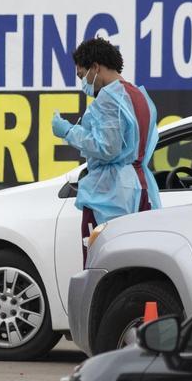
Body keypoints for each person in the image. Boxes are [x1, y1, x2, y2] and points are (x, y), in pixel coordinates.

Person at [51, 37, 161, 259]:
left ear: (95, 67)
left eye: (82, 75)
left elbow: (106, 147)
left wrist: (68, 131)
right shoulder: (139, 96)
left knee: (102, 262)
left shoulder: (108, 99)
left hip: (111, 194)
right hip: (141, 188)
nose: (83, 83)